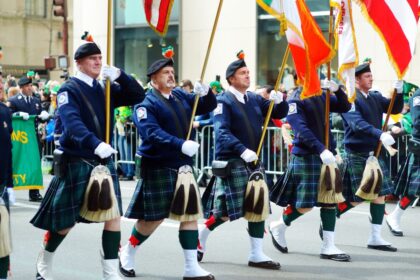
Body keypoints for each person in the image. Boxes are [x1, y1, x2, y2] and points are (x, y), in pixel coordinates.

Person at [30, 41, 145, 280]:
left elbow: (138, 95)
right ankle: (45, 262)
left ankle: (110, 273)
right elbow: (73, 124)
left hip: (103, 162)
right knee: (65, 222)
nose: (98, 62)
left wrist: (121, 76)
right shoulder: (68, 90)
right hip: (79, 159)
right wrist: (96, 144)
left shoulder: (106, 87)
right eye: (92, 58)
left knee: (113, 216)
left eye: (100, 58)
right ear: (79, 62)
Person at [119, 52, 217, 280]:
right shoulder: (145, 103)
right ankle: (129, 250)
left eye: (172, 72)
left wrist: (208, 93)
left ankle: (191, 267)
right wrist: (181, 144)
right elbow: (151, 133)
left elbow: (205, 106)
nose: (171, 76)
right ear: (154, 78)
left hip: (182, 165)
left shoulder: (181, 96)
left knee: (189, 215)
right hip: (158, 164)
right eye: (166, 73)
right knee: (153, 218)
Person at [197, 52, 288, 270]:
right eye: (242, 73)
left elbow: (277, 113)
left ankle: (256, 254)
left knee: (258, 207)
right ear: (231, 79)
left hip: (253, 162)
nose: (248, 76)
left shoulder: (255, 98)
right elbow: (222, 132)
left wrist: (280, 101)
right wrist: (243, 150)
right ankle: (202, 234)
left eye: (248, 72)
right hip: (233, 161)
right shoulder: (222, 101)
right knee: (227, 211)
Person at [269, 79, 352, 262]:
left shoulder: (323, 95)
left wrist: (338, 90)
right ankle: (280, 224)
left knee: (330, 200)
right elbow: (301, 129)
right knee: (305, 204)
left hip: (326, 154)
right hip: (308, 155)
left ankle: (328, 246)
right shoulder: (295, 99)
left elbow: (345, 106)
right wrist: (321, 148)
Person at [338, 62, 404, 251]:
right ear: (357, 80)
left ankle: (375, 237)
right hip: (357, 152)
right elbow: (357, 124)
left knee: (379, 195)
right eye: (367, 76)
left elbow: (394, 109)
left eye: (371, 75)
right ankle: (332, 215)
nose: (371, 78)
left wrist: (397, 92)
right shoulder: (350, 100)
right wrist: (380, 134)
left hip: (374, 154)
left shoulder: (374, 97)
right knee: (358, 197)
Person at [7, 75, 49, 202]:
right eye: (28, 86)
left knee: (35, 163)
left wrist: (43, 115)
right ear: (22, 88)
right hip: (20, 138)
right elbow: (6, 114)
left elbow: (39, 116)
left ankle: (34, 192)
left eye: (31, 86)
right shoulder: (14, 100)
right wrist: (17, 114)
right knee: (16, 161)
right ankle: (8, 189)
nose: (31, 88)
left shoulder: (36, 101)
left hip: (34, 137)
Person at [386, 88, 420, 236]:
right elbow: (417, 121)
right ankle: (395, 216)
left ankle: (394, 216)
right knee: (413, 190)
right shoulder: (418, 96)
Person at [0, 70, 15, 280]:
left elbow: (7, 148)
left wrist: (9, 183)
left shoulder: (4, 111)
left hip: (1, 180)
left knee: (2, 234)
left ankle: (3, 273)